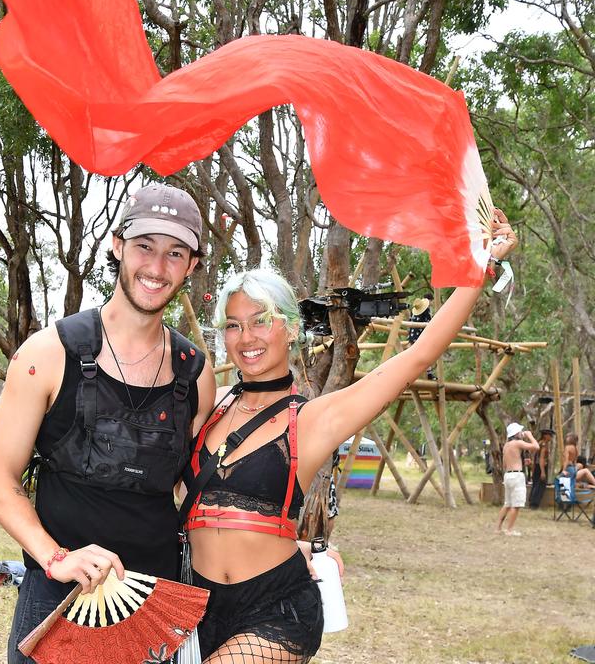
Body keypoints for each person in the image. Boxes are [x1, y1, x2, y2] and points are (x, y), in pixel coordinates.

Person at [183, 208, 516, 662]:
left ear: (292, 327)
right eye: (234, 325)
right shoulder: (211, 402)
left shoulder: (315, 418)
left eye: (261, 320)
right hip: (196, 606)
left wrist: (482, 263)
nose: (247, 336)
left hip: (274, 610)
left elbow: (417, 357)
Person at [0, 184, 218, 664]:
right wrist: (56, 557)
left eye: (176, 253)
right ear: (117, 245)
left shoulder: (197, 371)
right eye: (144, 246)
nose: (157, 267)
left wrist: (288, 552)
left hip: (152, 605)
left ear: (191, 266)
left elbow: (197, 493)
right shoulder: (47, 354)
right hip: (59, 597)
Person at [495, 423, 539, 536]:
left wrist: (520, 462)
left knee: (507, 504)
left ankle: (498, 528)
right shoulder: (518, 442)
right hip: (517, 477)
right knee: (516, 505)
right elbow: (536, 447)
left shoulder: (506, 445)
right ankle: (510, 530)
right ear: (516, 434)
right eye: (520, 432)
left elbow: (505, 464)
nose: (522, 433)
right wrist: (530, 436)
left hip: (508, 475)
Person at [528, 428, 554, 508]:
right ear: (545, 436)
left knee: (535, 484)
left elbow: (533, 455)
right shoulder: (543, 445)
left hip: (536, 467)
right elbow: (541, 458)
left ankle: (531, 500)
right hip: (540, 467)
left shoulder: (538, 443)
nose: (551, 437)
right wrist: (543, 471)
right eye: (550, 435)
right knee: (540, 485)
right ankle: (534, 503)